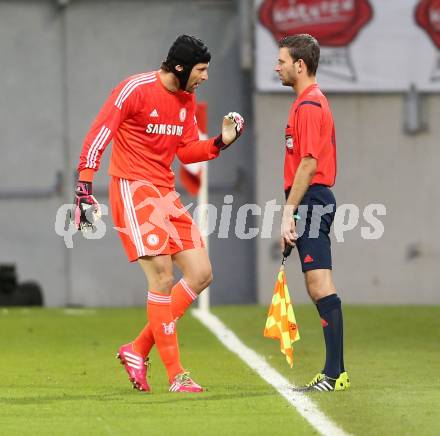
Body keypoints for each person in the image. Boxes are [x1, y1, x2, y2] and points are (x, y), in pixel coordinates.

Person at [72, 35, 244, 393]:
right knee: (163, 277)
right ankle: (176, 375)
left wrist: (220, 142)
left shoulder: (186, 98)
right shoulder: (133, 89)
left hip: (165, 192)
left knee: (201, 273)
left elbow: (186, 152)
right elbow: (99, 133)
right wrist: (84, 186)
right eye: (201, 70)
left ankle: (137, 349)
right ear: (180, 68)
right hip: (132, 189)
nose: (205, 77)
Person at [275, 34, 349, 392]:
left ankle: (334, 374)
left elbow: (308, 163)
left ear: (299, 65)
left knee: (319, 285)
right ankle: (337, 372)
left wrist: (288, 213)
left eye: (282, 61)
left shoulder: (308, 106)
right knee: (316, 284)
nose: (278, 67)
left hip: (311, 199)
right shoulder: (309, 102)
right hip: (311, 199)